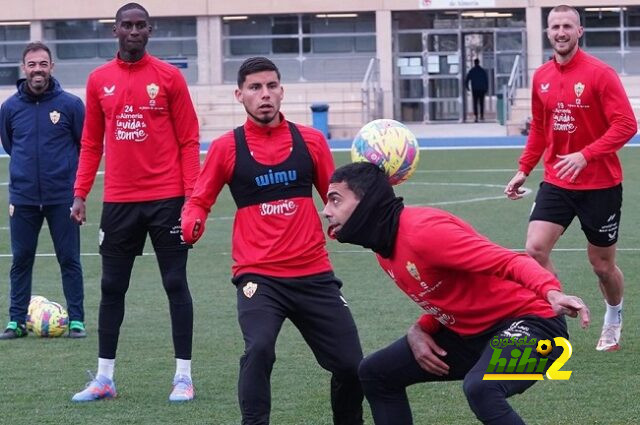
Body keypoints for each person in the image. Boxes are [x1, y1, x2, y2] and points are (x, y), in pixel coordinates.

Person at [322, 161, 590, 425]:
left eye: (335, 200)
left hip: (536, 326)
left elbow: (509, 261)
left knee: (482, 388)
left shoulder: (424, 231)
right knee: (375, 373)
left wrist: (551, 292)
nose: (325, 211)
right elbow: (449, 298)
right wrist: (420, 329)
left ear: (367, 202)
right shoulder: (383, 245)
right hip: (473, 334)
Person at [181, 56, 363, 425]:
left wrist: (349, 219)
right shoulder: (225, 148)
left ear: (282, 91)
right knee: (260, 348)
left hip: (313, 274)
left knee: (351, 363)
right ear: (239, 95)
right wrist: (192, 219)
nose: (265, 95)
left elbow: (335, 197)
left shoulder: (310, 141)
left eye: (271, 86)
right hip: (258, 276)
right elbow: (200, 199)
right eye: (255, 87)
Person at [69, 2, 200, 402]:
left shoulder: (170, 77)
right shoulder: (98, 80)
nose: (134, 31)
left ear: (150, 30)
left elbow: (189, 140)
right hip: (120, 201)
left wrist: (192, 200)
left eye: (141, 25)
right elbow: (91, 142)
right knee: (111, 286)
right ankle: (105, 378)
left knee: (175, 282)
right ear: (115, 31)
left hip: (166, 199)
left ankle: (183, 377)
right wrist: (80, 192)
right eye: (127, 25)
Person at [504, 5, 636, 352]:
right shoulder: (542, 76)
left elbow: (627, 125)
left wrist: (585, 154)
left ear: (580, 31)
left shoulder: (600, 74)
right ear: (548, 32)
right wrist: (523, 169)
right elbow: (540, 129)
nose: (560, 32)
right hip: (558, 181)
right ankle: (560, 307)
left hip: (601, 185)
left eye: (567, 26)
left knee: (602, 266)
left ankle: (613, 314)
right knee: (534, 248)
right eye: (554, 26)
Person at [0, 42, 86, 340]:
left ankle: (76, 320)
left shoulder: (71, 105)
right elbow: (11, 145)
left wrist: (78, 192)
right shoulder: (9, 108)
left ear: (52, 66)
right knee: (21, 260)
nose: (38, 69)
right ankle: (16, 321)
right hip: (23, 198)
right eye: (32, 64)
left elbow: (83, 147)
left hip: (62, 196)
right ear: (24, 68)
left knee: (69, 258)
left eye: (43, 63)